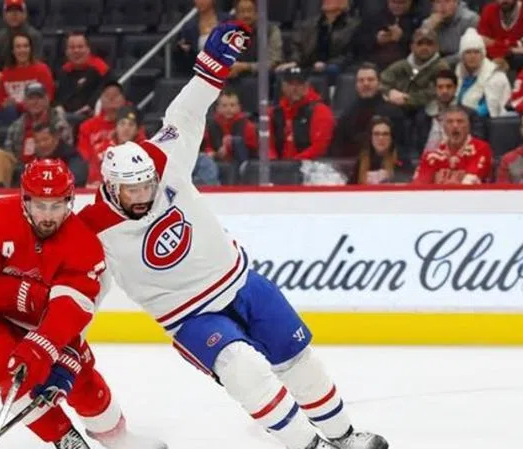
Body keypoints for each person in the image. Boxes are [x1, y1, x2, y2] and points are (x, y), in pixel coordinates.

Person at [77, 21, 388, 449]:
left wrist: (212, 65)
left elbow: (185, 114)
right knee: (245, 371)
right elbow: (84, 286)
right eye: (133, 190)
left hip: (240, 281)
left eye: (147, 186)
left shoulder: (161, 159)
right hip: (189, 316)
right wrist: (63, 336)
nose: (144, 195)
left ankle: (345, 436)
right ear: (111, 187)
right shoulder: (92, 228)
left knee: (299, 360)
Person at [0, 159, 166, 449]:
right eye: (40, 205)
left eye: (57, 206)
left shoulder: (83, 242)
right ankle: (65, 439)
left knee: (83, 379)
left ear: (69, 201)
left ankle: (117, 437)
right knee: (8, 370)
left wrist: (47, 346)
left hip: (42, 319)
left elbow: (73, 306)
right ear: (25, 200)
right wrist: (32, 295)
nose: (48, 216)